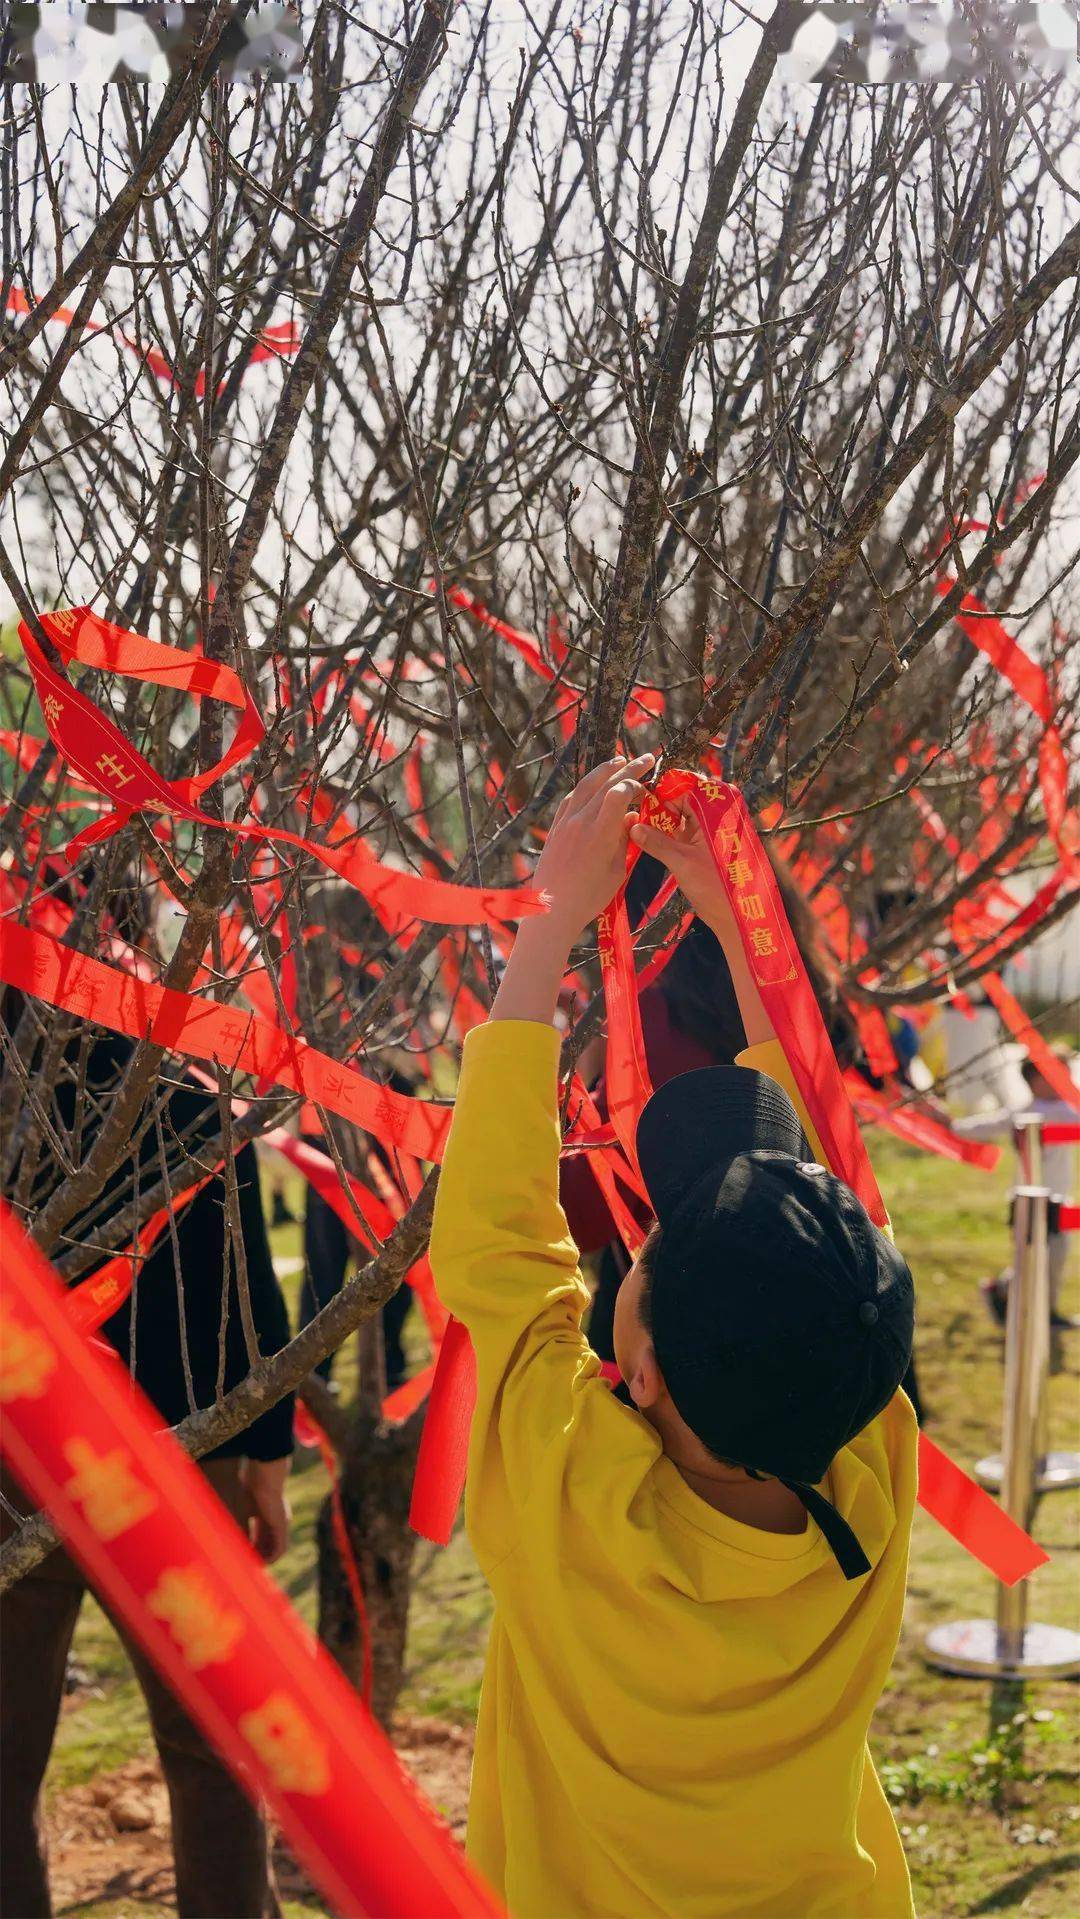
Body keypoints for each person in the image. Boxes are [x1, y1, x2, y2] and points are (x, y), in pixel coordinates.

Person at [429, 756, 918, 1919]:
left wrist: (547, 913)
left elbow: (498, 1237)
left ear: (641, 1368)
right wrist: (747, 929)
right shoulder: (872, 1478)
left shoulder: (577, 1496)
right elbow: (826, 1208)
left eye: (648, 1252)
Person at [0, 1030, 294, 1919]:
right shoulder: (187, 1086)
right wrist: (268, 1459)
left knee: (3, 1757)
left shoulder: (12, 1080)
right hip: (184, 1454)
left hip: (21, 1457)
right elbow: (244, 1292)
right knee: (213, 1746)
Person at [954, 1049, 1079, 1329]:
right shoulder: (1043, 1111)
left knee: (1049, 1260)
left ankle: (1042, 1309)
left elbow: (980, 1125)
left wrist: (951, 1124)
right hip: (1032, 1201)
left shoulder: (1054, 1108)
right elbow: (984, 1125)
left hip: (1056, 1200)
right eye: (1060, 1073)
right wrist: (952, 1126)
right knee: (1034, 1262)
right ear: (1036, 1080)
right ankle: (1007, 1295)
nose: (1068, 1079)